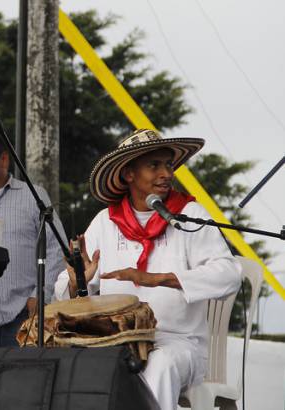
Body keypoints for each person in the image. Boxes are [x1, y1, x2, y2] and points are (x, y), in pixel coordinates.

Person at [54, 129, 241, 410]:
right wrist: (77, 279)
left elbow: (229, 274)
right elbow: (62, 294)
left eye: (168, 164)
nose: (166, 173)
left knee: (159, 366)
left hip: (179, 343)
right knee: (84, 369)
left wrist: (158, 279)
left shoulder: (190, 215)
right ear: (129, 174)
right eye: (154, 165)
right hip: (117, 341)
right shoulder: (106, 221)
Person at [0, 134, 66, 347]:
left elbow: (56, 249)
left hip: (24, 312)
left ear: (3, 160)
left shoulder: (33, 196)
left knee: (21, 377)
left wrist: (41, 294)